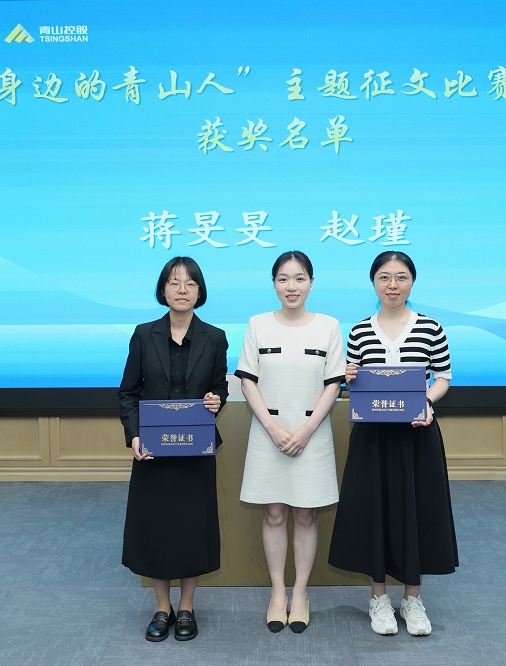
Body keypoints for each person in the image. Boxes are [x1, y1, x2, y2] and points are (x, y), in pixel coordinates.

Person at [328, 250, 458, 637]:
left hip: (417, 435)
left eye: (401, 277)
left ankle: (412, 600)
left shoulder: (430, 327)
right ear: (374, 282)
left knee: (418, 511)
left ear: (412, 282)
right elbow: (352, 383)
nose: (393, 285)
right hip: (373, 437)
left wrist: (426, 401)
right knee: (375, 512)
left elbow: (443, 378)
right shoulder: (359, 331)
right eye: (384, 277)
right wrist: (348, 376)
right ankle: (379, 598)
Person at [117, 256, 229, 643]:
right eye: (174, 283)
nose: (182, 290)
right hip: (153, 451)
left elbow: (219, 388)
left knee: (191, 528)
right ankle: (162, 607)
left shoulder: (215, 337)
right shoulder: (143, 334)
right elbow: (128, 392)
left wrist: (216, 400)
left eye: (190, 283)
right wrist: (134, 435)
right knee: (157, 528)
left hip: (195, 450)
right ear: (163, 290)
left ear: (200, 292)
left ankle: (187, 607)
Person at [235, 250, 344, 634]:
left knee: (305, 515)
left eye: (299, 278)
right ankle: (277, 592)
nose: (291, 286)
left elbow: (334, 383)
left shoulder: (329, 326)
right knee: (274, 514)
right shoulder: (258, 324)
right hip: (269, 434)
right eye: (283, 279)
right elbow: (248, 380)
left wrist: (306, 429)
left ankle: (300, 594)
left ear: (311, 283)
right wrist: (273, 428)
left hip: (312, 435)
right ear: (274, 284)